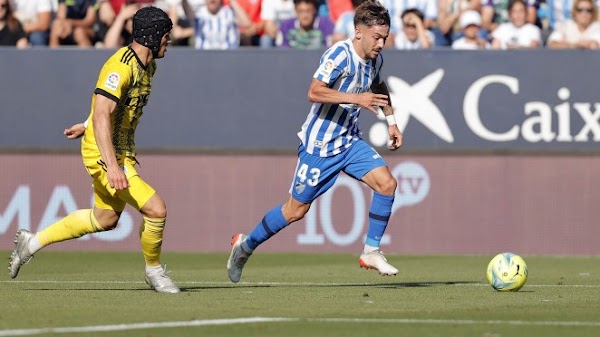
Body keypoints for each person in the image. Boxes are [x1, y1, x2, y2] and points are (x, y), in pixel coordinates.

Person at [227, 0, 403, 283]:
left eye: (385, 37)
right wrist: (357, 98)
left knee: (387, 184)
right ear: (358, 32)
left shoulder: (375, 59)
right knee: (295, 211)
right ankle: (245, 246)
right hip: (320, 145)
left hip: (349, 140)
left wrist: (391, 121)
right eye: (377, 37)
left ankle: (371, 250)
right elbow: (314, 91)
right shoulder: (339, 55)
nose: (381, 43)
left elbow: (379, 85)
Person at [8, 6, 181, 294]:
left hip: (118, 149)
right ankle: (154, 272)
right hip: (105, 154)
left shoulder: (148, 63)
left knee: (105, 219)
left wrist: (86, 123)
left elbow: (111, 108)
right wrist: (112, 165)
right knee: (156, 210)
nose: (169, 41)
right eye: (166, 35)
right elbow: (103, 113)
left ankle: (32, 242)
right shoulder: (120, 66)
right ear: (153, 37)